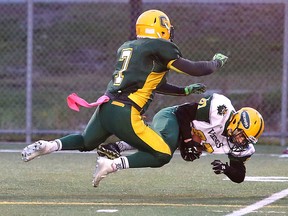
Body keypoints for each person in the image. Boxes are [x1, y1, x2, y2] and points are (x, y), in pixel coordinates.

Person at [21, 9, 228, 186]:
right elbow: (194, 69)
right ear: (161, 27)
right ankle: (111, 165)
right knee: (163, 154)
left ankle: (50, 146)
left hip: (106, 107)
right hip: (125, 111)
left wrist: (183, 92)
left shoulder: (128, 46)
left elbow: (153, 83)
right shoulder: (161, 47)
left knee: (86, 141)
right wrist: (215, 63)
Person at [97, 93, 265, 184]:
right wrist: (188, 141)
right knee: (164, 148)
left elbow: (239, 176)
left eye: (246, 140)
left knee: (162, 151)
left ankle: (117, 151)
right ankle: (116, 156)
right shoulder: (221, 109)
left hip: (182, 136)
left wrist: (226, 169)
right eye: (242, 136)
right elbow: (182, 113)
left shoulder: (237, 145)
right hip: (171, 117)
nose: (241, 142)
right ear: (236, 122)